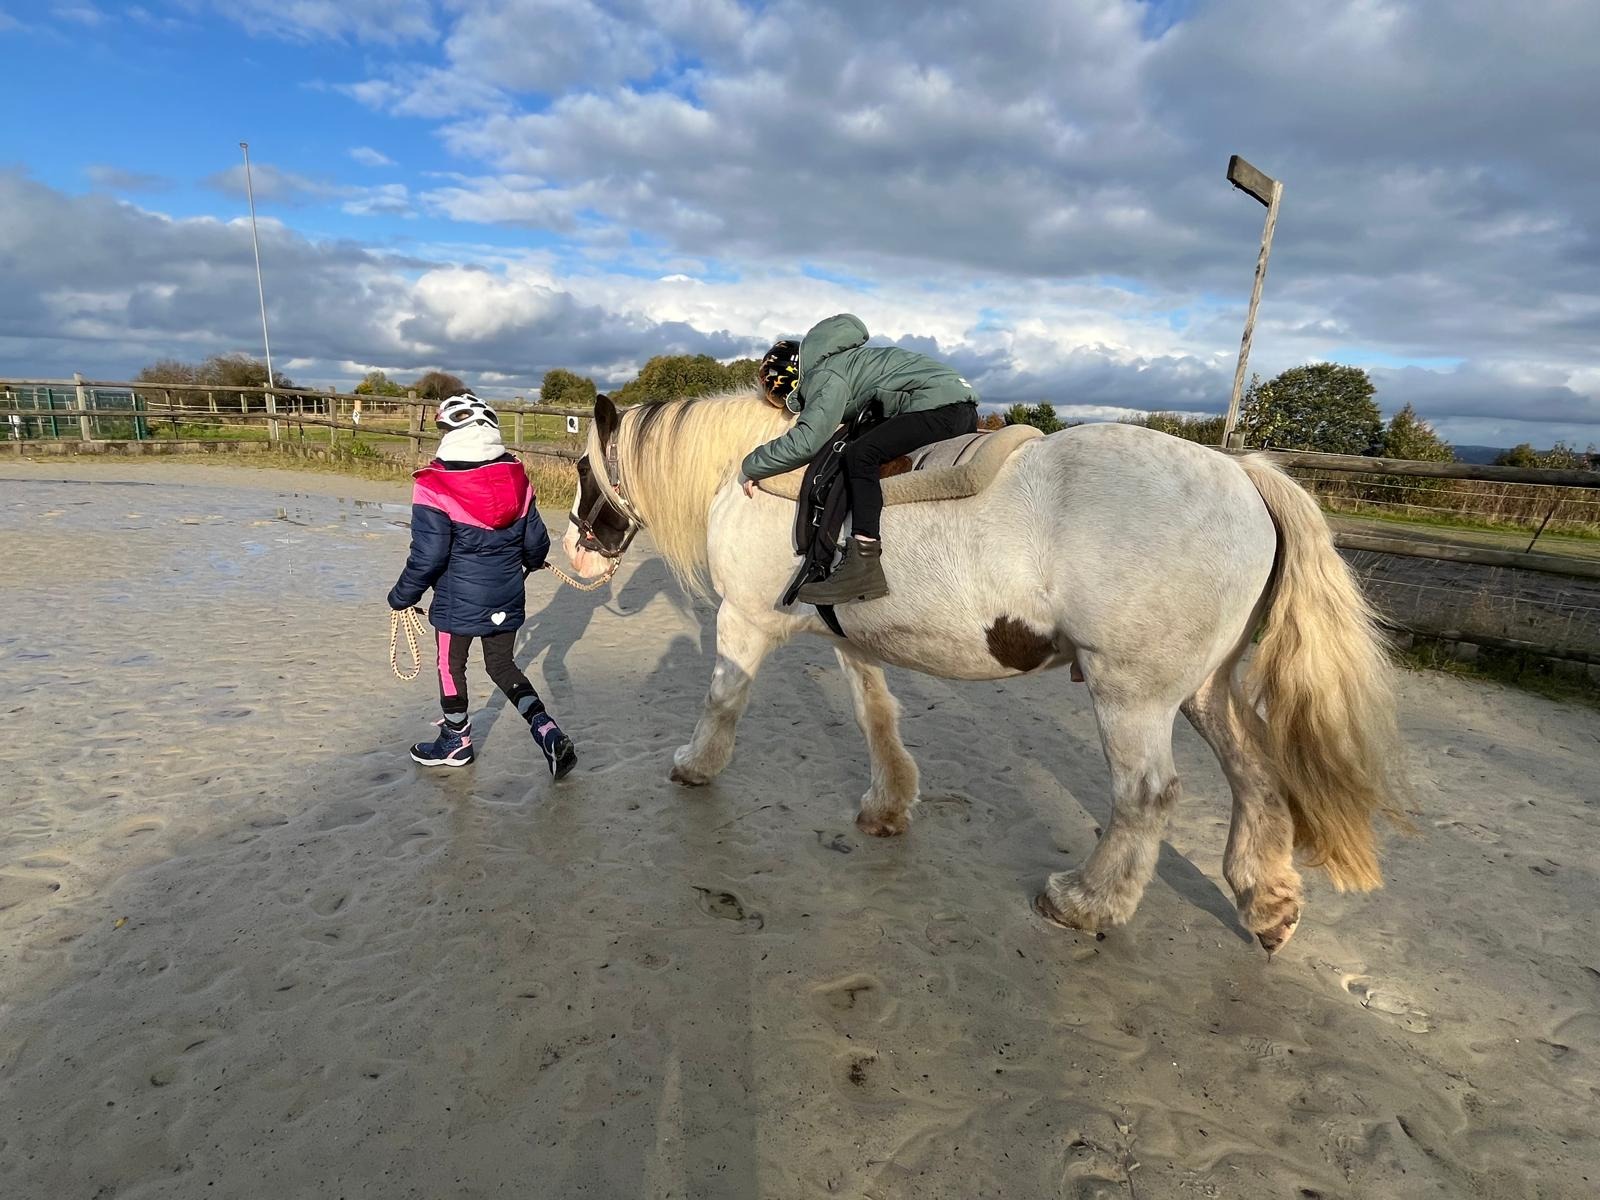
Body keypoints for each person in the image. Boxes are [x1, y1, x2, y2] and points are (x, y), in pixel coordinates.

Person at [388, 393, 577, 777]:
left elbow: (428, 556)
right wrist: (528, 562)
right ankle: (547, 730)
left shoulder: (434, 484)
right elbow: (536, 545)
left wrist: (401, 596)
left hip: (456, 601)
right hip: (507, 594)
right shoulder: (517, 477)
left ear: (450, 433)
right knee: (502, 665)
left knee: (449, 665)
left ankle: (456, 741)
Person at [737, 314, 979, 603]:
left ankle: (864, 562)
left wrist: (752, 465)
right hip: (959, 408)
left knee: (861, 453)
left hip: (939, 407)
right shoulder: (844, 361)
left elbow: (808, 440)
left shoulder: (824, 375)